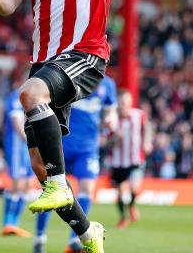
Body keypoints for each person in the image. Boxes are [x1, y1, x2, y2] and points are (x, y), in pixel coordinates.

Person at [0, 0, 125, 253]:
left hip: (86, 55)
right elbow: (10, 5)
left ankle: (59, 184)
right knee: (39, 165)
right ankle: (87, 232)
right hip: (45, 63)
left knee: (29, 95)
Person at [34, 75, 118, 253]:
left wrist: (111, 121)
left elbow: (111, 112)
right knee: (51, 189)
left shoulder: (108, 85)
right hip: (61, 143)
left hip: (87, 148)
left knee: (87, 188)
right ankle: (40, 237)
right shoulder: (69, 75)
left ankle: (76, 239)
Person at [109, 89, 151, 229]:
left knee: (134, 187)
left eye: (126, 102)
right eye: (121, 102)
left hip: (135, 159)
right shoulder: (112, 119)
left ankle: (132, 206)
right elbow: (106, 141)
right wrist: (115, 137)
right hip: (118, 161)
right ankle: (123, 217)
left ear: (130, 102)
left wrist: (147, 142)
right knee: (120, 191)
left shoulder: (138, 115)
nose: (124, 105)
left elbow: (147, 128)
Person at [0, 88, 34, 238]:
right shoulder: (17, 95)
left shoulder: (38, 95)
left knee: (27, 185)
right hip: (17, 145)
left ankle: (15, 224)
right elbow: (15, 120)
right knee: (17, 184)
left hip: (30, 145)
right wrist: (26, 139)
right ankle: (8, 224)